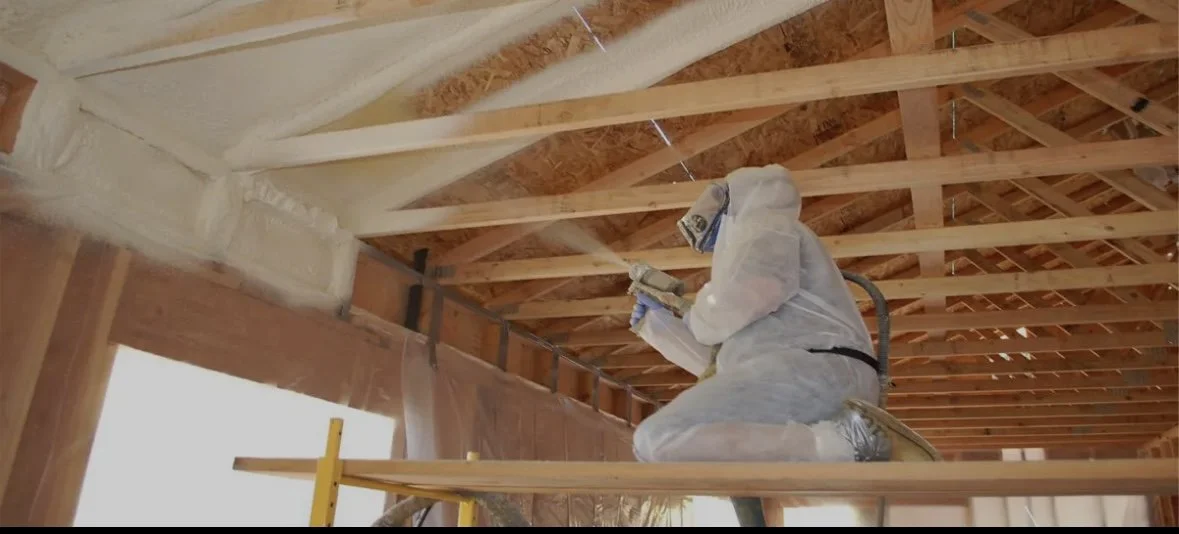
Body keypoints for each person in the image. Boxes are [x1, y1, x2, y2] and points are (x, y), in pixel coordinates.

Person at [628, 164, 903, 464]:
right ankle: (837, 442)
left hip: (816, 371)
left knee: (659, 438)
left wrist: (693, 316)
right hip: (814, 375)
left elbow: (752, 293)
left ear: (743, 200)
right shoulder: (761, 256)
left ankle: (840, 443)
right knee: (671, 443)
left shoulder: (765, 224)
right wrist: (658, 327)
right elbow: (725, 366)